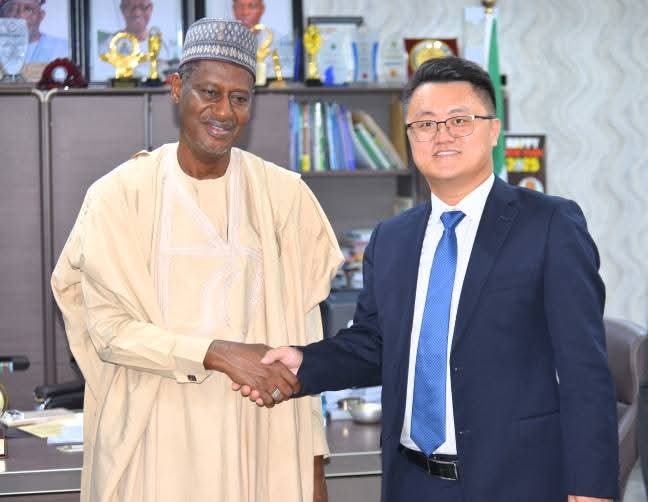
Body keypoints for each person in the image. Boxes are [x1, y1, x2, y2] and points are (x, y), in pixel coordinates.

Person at [246, 56, 620, 502]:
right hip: (412, 481)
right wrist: (304, 363)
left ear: (494, 130)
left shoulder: (550, 224)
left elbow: (584, 366)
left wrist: (591, 486)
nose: (442, 135)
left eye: (459, 120)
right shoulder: (392, 238)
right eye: (424, 124)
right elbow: (373, 344)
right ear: (410, 138)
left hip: (518, 480)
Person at [52, 17, 342, 502]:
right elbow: (109, 332)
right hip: (153, 444)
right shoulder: (119, 196)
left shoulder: (284, 197)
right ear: (176, 89)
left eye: (239, 98)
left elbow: (303, 346)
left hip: (259, 442)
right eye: (209, 92)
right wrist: (218, 353)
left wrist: (314, 466)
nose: (224, 111)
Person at [0, 0, 68, 64]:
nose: (20, 16)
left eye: (28, 9)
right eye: (12, 9)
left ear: (41, 15)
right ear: (2, 16)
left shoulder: (64, 48)